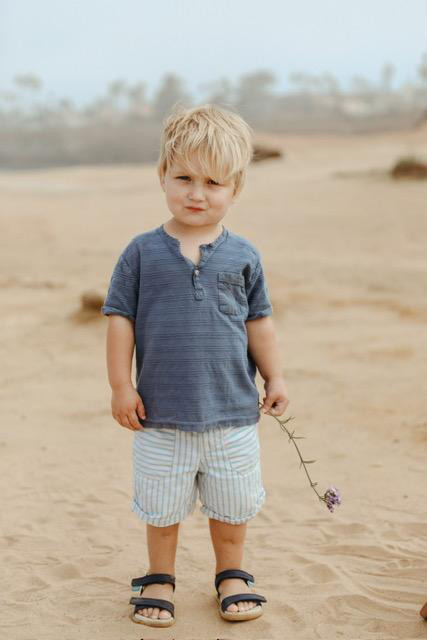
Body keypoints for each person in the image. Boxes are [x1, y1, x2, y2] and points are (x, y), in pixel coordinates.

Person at [101, 104, 289, 627]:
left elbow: (260, 322)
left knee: (233, 507)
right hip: (159, 415)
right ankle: (158, 576)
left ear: (235, 189)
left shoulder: (243, 254)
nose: (196, 193)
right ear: (162, 175)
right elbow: (120, 320)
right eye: (183, 177)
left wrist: (274, 376)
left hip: (232, 413)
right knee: (161, 508)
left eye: (213, 182)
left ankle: (232, 573)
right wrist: (121, 386)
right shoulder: (141, 252)